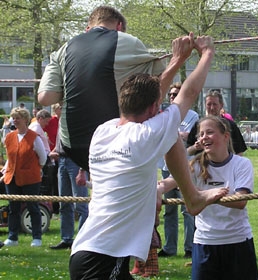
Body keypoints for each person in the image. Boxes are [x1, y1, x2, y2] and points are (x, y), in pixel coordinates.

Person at [69, 34, 228, 279]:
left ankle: (193, 197)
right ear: (155, 108)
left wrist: (177, 60)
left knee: (172, 136)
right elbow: (189, 92)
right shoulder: (145, 137)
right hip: (102, 260)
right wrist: (206, 53)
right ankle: (193, 197)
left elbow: (151, 98)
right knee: (172, 134)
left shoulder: (104, 131)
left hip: (89, 252)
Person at [37, 5, 180, 171]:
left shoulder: (64, 49)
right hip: (116, 144)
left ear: (87, 29)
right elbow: (158, 86)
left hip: (74, 147)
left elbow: (45, 97)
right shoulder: (126, 41)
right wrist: (178, 58)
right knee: (170, 132)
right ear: (119, 27)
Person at [162, 115, 258, 280]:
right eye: (201, 134)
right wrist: (157, 191)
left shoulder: (241, 164)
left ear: (226, 136)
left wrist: (205, 196)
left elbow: (241, 201)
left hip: (237, 242)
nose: (204, 137)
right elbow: (166, 184)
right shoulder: (194, 166)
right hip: (205, 242)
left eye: (210, 132)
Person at [158, 82, 198, 259]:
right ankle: (169, 247)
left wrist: (176, 133)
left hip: (186, 167)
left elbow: (190, 137)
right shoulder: (164, 115)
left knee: (187, 209)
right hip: (167, 169)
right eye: (171, 95)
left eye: (176, 94)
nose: (173, 97)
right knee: (169, 210)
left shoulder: (193, 116)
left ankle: (190, 247)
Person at [2, 107, 47, 247]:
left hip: (30, 178)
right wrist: (6, 170)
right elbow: (10, 157)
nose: (15, 120)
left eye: (18, 118)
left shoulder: (34, 137)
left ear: (25, 120)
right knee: (13, 208)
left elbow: (43, 158)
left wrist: (34, 169)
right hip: (12, 177)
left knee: (33, 207)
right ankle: (12, 237)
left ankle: (37, 238)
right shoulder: (9, 137)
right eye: (13, 118)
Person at [48, 131, 89, 250]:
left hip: (75, 162)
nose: (57, 111)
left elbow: (84, 145)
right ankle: (67, 239)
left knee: (80, 204)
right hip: (62, 161)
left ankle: (82, 240)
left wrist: (82, 168)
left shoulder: (75, 118)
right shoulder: (62, 121)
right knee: (64, 203)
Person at [187, 89, 247, 156]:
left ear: (221, 105)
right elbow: (187, 152)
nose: (212, 108)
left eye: (215, 104)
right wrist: (195, 147)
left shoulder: (230, 125)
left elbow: (239, 152)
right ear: (205, 105)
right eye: (209, 104)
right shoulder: (198, 125)